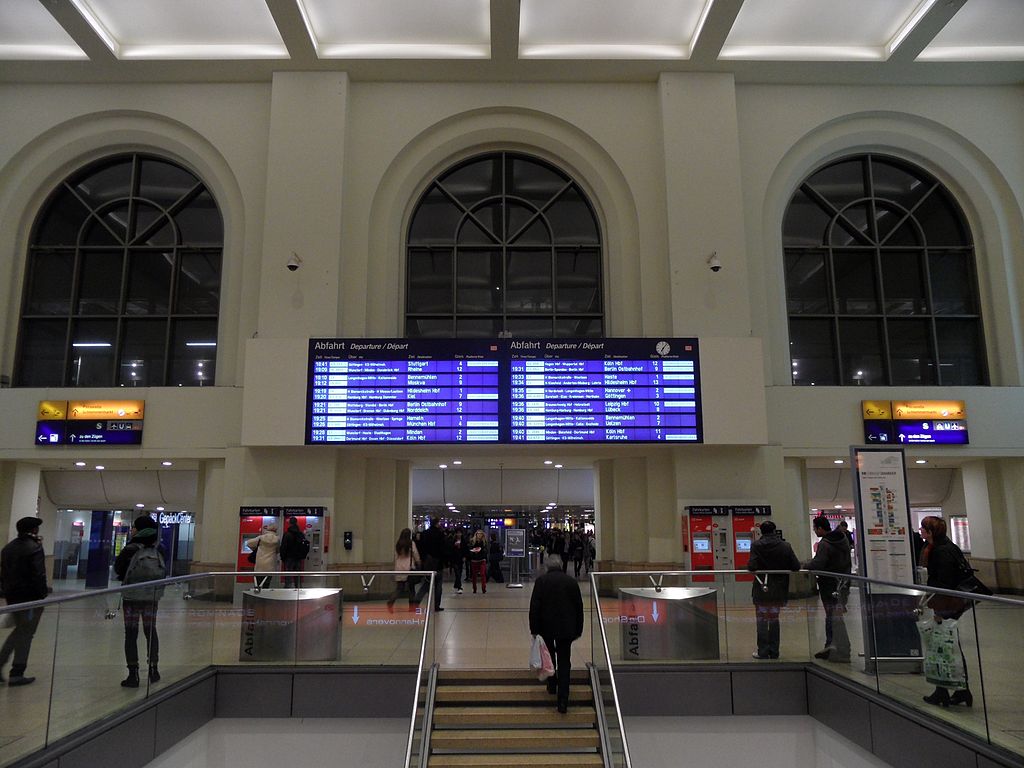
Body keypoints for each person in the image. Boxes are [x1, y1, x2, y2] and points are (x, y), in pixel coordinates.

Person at [920, 515, 974, 708]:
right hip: (952, 602)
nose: (920, 531)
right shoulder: (947, 547)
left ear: (930, 532)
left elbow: (943, 582)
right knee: (948, 645)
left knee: (942, 646)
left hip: (947, 604)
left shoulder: (940, 551)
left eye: (923, 528)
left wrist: (940, 610)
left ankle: (944, 691)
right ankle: (959, 690)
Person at [114, 515, 166, 688]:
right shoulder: (159, 549)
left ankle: (133, 674)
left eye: (135, 527)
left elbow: (118, 569)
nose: (132, 530)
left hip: (131, 597)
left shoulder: (130, 549)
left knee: (131, 633)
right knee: (151, 631)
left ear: (140, 529)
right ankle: (154, 669)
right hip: (152, 597)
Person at [529, 555, 584, 714]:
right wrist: (578, 629)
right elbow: (579, 607)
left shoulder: (541, 582)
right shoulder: (571, 582)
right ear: (561, 565)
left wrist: (534, 629)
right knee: (565, 661)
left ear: (547, 567)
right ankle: (563, 700)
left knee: (549, 657)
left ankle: (552, 684)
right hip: (566, 628)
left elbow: (535, 607)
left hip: (546, 627)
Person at [0, 516, 48, 686]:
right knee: (26, 634)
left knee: (20, 631)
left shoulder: (8, 548)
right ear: (33, 530)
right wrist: (42, 595)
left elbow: (3, 575)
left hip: (13, 598)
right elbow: (38, 574)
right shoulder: (34, 548)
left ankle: (3, 664)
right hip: (30, 599)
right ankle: (17, 672)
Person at [747, 521, 800, 659]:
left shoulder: (756, 545)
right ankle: (774, 651)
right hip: (779, 588)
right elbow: (796, 566)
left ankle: (763, 651)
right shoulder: (785, 546)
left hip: (762, 588)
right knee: (774, 619)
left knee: (762, 620)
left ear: (761, 531)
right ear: (775, 531)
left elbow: (752, 566)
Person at [802, 516, 852, 663]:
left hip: (829, 585)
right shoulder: (843, 539)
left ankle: (840, 650)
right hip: (842, 584)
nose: (814, 531)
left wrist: (806, 566)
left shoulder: (825, 544)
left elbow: (818, 563)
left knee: (833, 617)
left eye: (814, 528)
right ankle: (831, 646)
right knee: (835, 616)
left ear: (820, 528)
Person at [413, 517, 446, 611]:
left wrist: (423, 559)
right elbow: (443, 548)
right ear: (437, 523)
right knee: (438, 585)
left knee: (426, 584)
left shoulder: (425, 533)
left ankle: (416, 602)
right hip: (438, 562)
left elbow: (421, 548)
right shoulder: (440, 534)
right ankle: (437, 605)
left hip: (428, 562)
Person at [387, 528, 420, 613]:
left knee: (399, 588)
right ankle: (411, 607)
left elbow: (395, 556)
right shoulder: (411, 543)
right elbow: (415, 554)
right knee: (411, 589)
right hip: (409, 568)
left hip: (399, 567)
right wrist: (418, 562)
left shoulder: (398, 544)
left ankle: (391, 601)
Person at [278, 517, 309, 588]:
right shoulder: (300, 534)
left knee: (288, 574)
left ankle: (288, 589)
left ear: (290, 523)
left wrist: (282, 557)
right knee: (297, 574)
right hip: (298, 558)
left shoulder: (287, 534)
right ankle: (298, 588)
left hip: (288, 558)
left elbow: (283, 547)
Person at [248, 523, 280, 590]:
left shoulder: (261, 538)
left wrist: (255, 549)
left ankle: (257, 594)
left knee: (258, 583)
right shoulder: (277, 539)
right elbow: (278, 550)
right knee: (266, 583)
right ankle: (264, 593)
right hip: (270, 564)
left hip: (260, 562)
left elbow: (249, 543)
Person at [449, 530, 465, 594]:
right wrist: (454, 545)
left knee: (460, 573)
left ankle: (456, 584)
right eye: (457, 533)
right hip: (454, 559)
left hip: (460, 559)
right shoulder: (453, 541)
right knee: (457, 573)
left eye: (460, 533)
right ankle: (459, 587)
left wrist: (464, 556)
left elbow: (465, 549)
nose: (459, 534)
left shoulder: (463, 541)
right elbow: (450, 549)